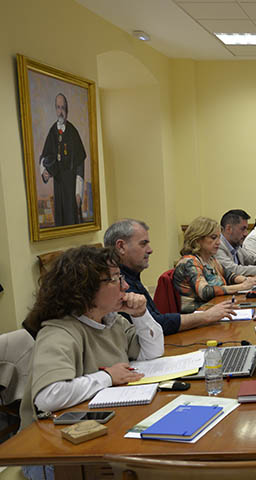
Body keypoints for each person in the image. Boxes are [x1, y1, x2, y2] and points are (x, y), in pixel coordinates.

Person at [19, 246, 164, 430]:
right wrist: (108, 377)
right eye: (115, 279)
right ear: (85, 288)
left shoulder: (112, 320)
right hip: (52, 441)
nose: (125, 286)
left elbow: (152, 352)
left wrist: (141, 315)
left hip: (102, 423)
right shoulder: (59, 333)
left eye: (122, 278)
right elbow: (48, 397)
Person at [105, 219, 237, 335]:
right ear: (121, 246)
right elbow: (156, 324)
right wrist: (206, 316)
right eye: (143, 244)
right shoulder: (114, 284)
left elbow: (155, 321)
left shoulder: (131, 276)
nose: (150, 250)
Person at [173, 216, 256, 313]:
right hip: (197, 314)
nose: (219, 242)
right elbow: (205, 292)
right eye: (213, 238)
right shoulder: (189, 262)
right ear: (197, 239)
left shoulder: (210, 259)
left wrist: (248, 280)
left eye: (219, 238)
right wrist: (241, 287)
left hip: (215, 308)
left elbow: (228, 275)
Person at [38, 93, 86, 226]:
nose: (61, 111)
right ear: (55, 109)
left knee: (73, 219)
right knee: (60, 221)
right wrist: (44, 171)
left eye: (63, 108)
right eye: (58, 107)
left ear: (67, 110)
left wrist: (78, 192)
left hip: (71, 185)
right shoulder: (52, 131)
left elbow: (80, 162)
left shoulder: (73, 132)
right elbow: (45, 155)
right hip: (58, 184)